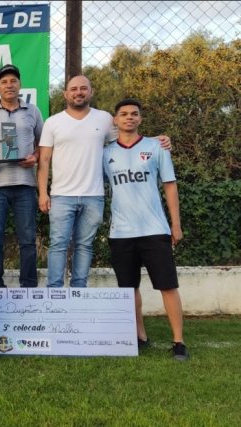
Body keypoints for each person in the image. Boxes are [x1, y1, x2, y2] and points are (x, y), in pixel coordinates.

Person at [37, 75, 169, 288]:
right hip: (61, 195)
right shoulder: (53, 122)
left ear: (91, 92)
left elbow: (127, 138)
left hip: (94, 196)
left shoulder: (104, 118)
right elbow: (43, 160)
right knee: (58, 245)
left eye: (83, 88)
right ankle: (55, 293)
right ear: (66, 94)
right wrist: (43, 193)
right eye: (73, 89)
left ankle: (79, 291)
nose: (78, 92)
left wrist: (155, 141)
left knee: (84, 245)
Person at [104, 98, 188, 361]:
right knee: (129, 288)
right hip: (121, 232)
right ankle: (140, 336)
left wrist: (175, 224)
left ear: (140, 119)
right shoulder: (105, 153)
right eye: (124, 114)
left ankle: (179, 342)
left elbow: (170, 185)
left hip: (154, 229)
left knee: (167, 286)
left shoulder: (156, 146)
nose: (129, 117)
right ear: (115, 121)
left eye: (134, 114)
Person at [0, 64, 42, 288]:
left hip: (25, 184)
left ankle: (29, 286)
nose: (9, 85)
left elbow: (43, 145)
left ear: (20, 85)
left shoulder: (33, 111)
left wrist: (35, 157)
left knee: (28, 239)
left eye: (13, 81)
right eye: (4, 81)